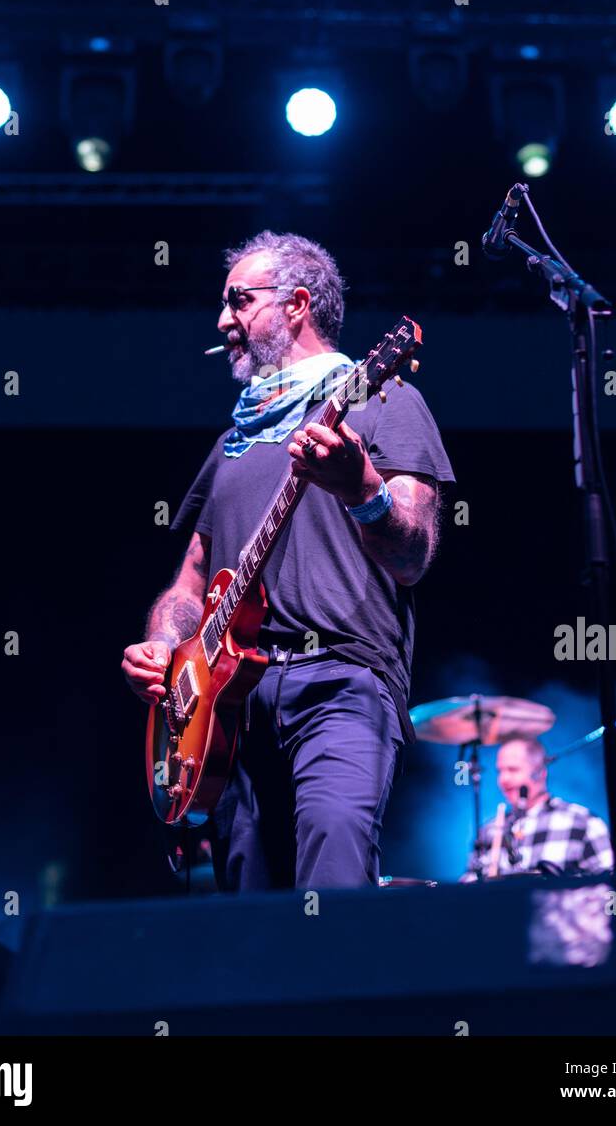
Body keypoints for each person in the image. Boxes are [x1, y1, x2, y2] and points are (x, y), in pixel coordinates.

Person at [122, 230, 455, 890]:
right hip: (229, 707)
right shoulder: (232, 445)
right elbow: (190, 581)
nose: (223, 321)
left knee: (334, 869)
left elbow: (413, 555)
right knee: (249, 908)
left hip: (342, 680)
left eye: (239, 301)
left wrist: (361, 490)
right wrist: (164, 647)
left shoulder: (382, 401)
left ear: (298, 304)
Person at [463, 737, 614, 879]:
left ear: (540, 773)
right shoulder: (490, 830)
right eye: (500, 771)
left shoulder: (582, 823)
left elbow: (613, 890)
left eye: (513, 770)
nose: (504, 780)